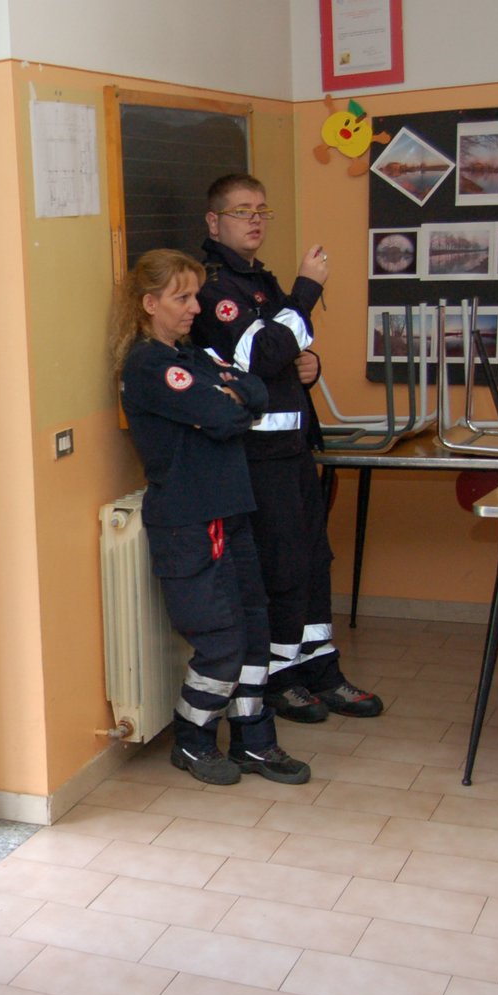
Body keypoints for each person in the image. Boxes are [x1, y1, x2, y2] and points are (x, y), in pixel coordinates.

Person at [192, 173, 383, 724]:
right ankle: (279, 677)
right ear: (214, 221)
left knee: (313, 559)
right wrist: (306, 290)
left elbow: (287, 351)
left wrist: (310, 366)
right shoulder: (214, 287)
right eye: (241, 211)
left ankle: (320, 667)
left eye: (262, 210)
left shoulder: (258, 279)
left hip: (294, 449)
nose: (255, 220)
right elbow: (261, 353)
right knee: (280, 565)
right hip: (256, 455)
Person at [115, 249, 311, 787]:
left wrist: (232, 400)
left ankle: (255, 740)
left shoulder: (193, 356)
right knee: (220, 640)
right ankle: (194, 737)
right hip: (191, 522)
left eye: (196, 295)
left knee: (253, 629)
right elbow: (226, 415)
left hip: (232, 512)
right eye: (181, 297)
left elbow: (254, 391)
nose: (194, 307)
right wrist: (229, 405)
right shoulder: (150, 365)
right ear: (149, 304)